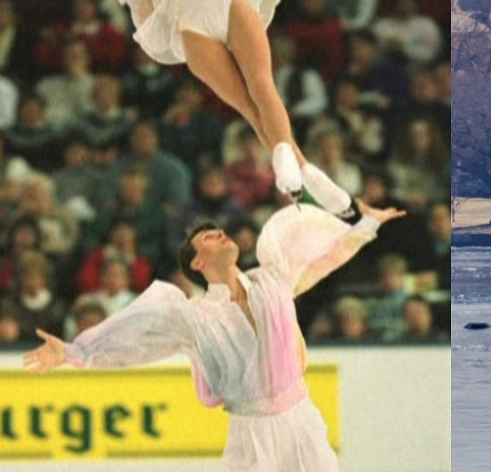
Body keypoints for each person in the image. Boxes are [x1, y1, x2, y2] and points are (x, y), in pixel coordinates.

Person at [24, 198, 405, 472]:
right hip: (252, 434)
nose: (220, 233)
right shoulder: (195, 316)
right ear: (197, 263)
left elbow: (323, 261)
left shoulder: (272, 278)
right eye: (208, 237)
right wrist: (74, 353)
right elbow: (134, 336)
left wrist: (366, 225)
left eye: (218, 230)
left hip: (302, 419)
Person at [109, 0, 353, 215]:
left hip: (230, 6)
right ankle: (306, 178)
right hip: (194, 29)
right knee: (250, 109)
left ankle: (299, 170)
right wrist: (164, 26)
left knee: (263, 86)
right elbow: (148, 33)